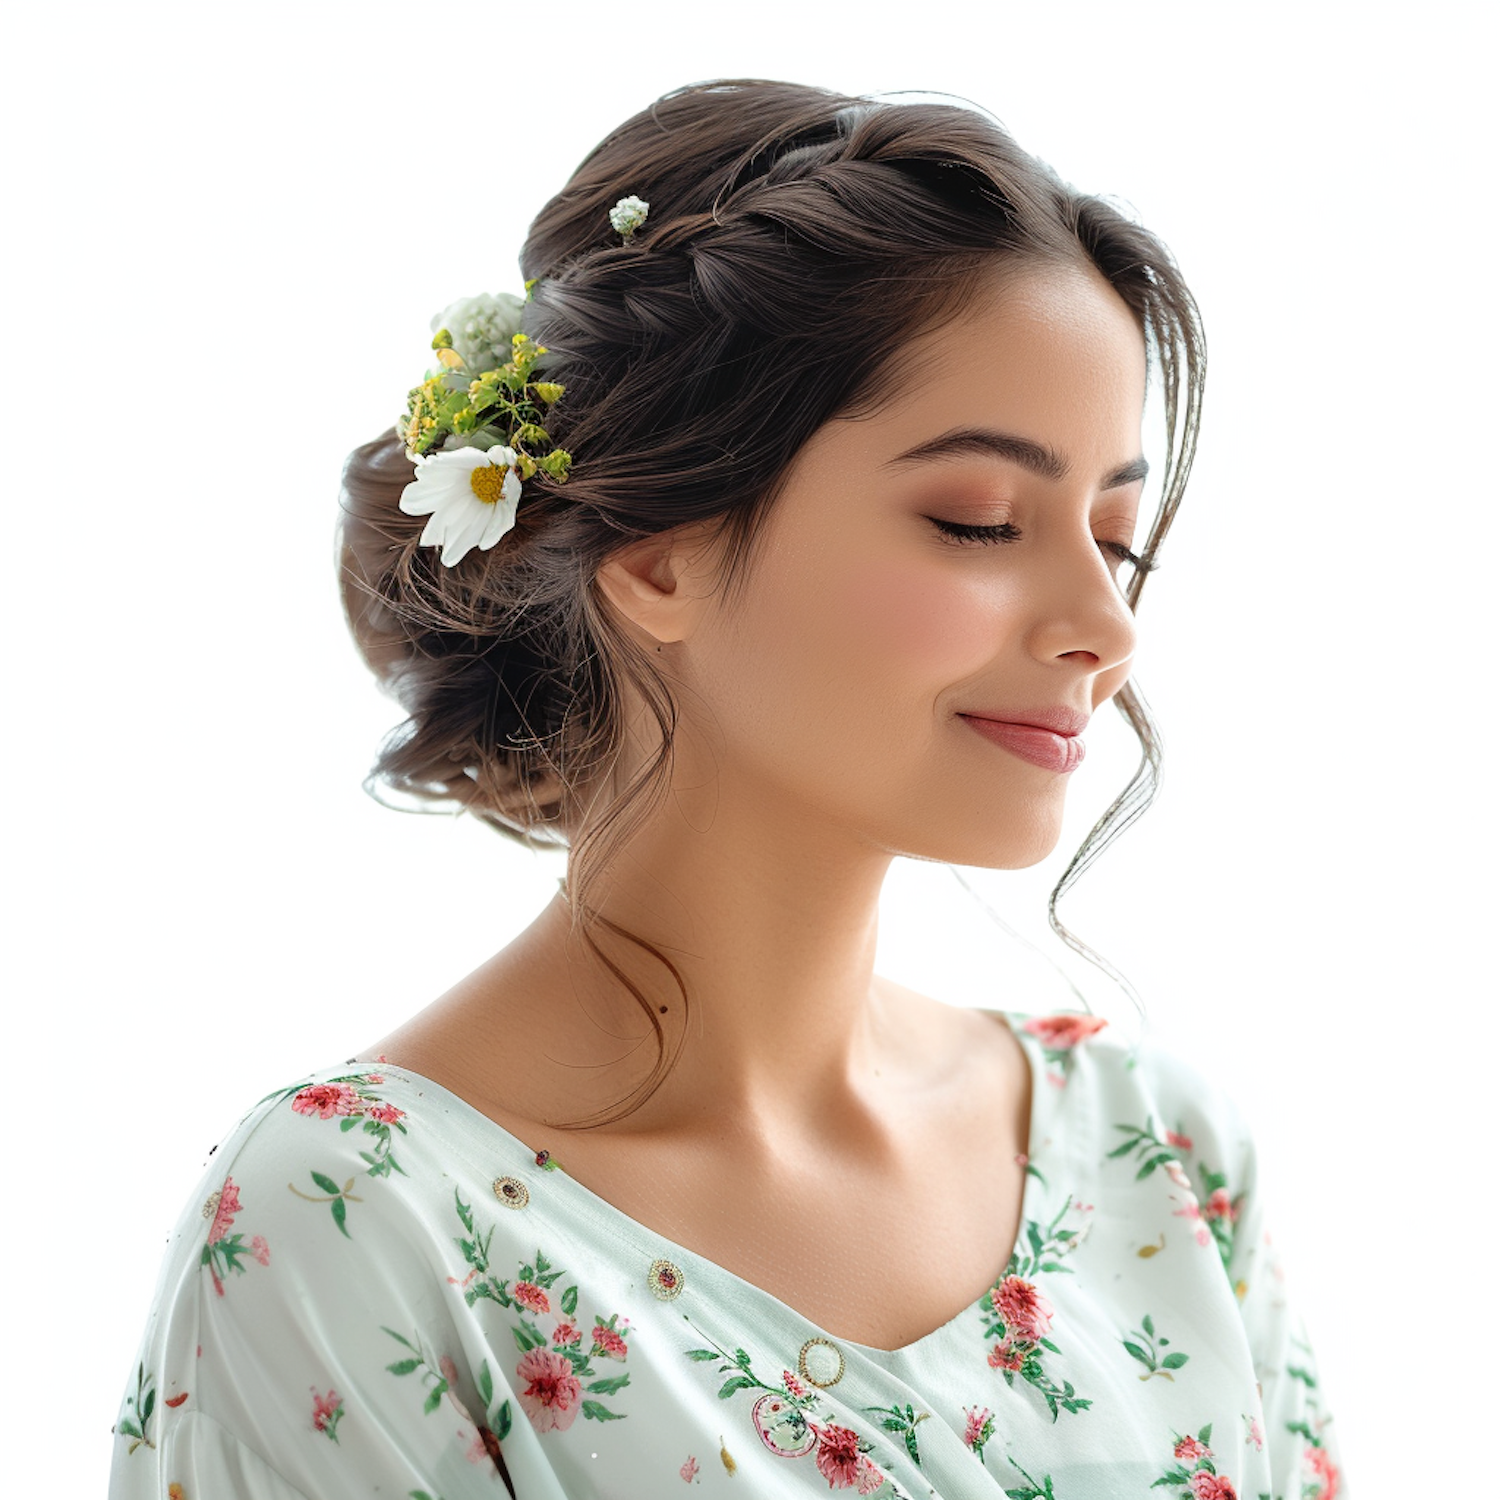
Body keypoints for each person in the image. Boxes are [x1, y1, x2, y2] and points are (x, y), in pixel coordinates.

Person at [109, 78, 1344, 1500]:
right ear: (658, 555)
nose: (1105, 626)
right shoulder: (361, 1226)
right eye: (980, 521)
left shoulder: (1161, 1158)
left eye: (1117, 542)